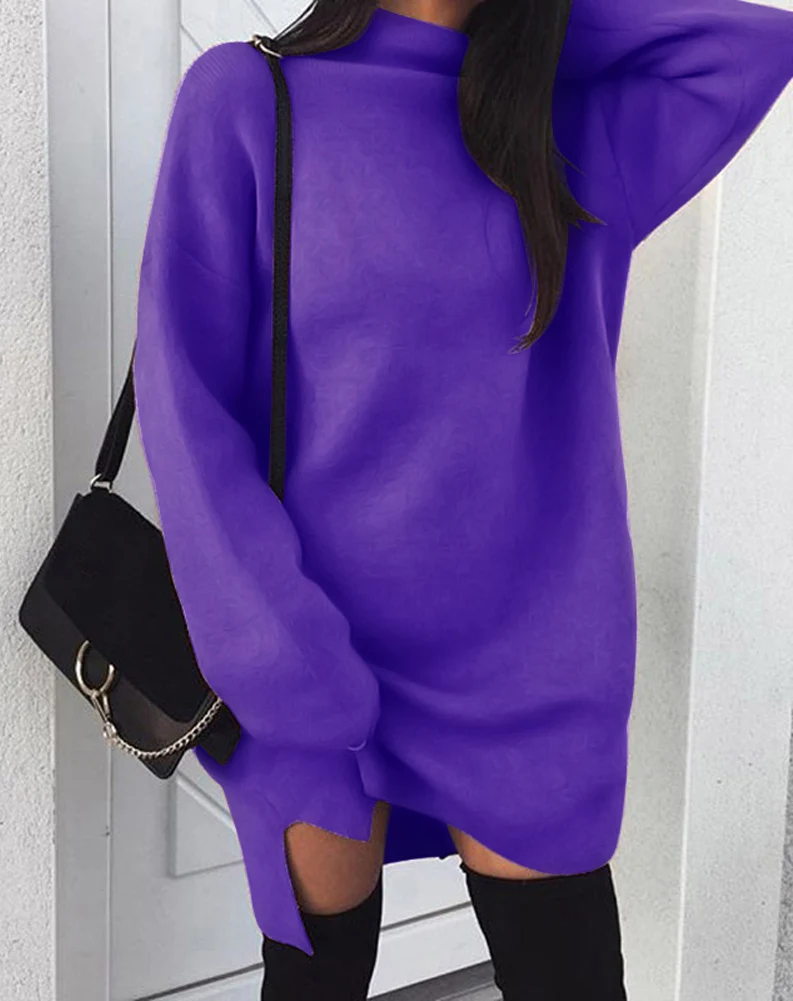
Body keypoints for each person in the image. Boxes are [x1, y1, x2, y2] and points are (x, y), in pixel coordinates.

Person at [132, 1, 793, 997]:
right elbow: (186, 399)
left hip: (526, 669)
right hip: (312, 645)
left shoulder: (561, 132)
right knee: (316, 982)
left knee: (567, 974)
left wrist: (532, 24)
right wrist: (274, 654)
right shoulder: (247, 97)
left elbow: (747, 50)